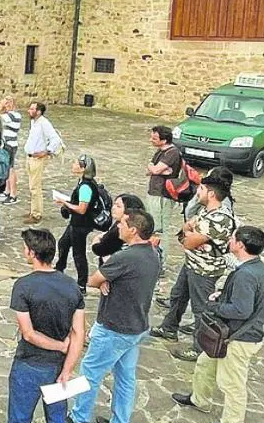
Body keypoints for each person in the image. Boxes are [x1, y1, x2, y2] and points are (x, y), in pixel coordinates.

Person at [0, 228, 85, 423]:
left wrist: (57, 346)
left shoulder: (24, 286)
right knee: (55, 421)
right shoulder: (71, 287)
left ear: (31, 253)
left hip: (29, 365)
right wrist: (67, 367)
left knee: (20, 419)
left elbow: (29, 334)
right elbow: (79, 333)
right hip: (57, 368)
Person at [172, 225, 264, 423]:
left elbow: (241, 310)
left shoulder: (246, 274)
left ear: (240, 245)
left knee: (232, 383)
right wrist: (224, 294)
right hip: (230, 337)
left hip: (238, 339)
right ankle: (200, 399)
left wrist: (215, 306)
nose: (230, 240)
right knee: (204, 364)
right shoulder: (257, 268)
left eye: (233, 238)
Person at [66, 209, 159, 423]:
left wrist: (105, 278)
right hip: (136, 326)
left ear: (133, 230)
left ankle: (78, 419)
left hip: (114, 327)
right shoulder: (153, 254)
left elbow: (93, 279)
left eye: (122, 224)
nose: (118, 227)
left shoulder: (125, 257)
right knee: (126, 377)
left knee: (91, 372)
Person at [151, 175, 237, 362]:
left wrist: (190, 232)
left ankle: (199, 348)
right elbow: (183, 231)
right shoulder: (206, 213)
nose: (198, 192)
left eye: (201, 189)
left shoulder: (219, 218)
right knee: (177, 296)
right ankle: (169, 328)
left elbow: (187, 242)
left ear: (211, 193)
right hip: (191, 264)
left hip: (204, 270)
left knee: (201, 309)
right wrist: (190, 231)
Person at [54, 154, 100, 288]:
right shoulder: (83, 182)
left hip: (81, 224)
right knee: (63, 243)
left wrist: (64, 202)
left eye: (75, 163)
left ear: (83, 168)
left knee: (78, 254)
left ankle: (81, 284)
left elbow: (81, 209)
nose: (72, 165)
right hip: (76, 223)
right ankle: (59, 269)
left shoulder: (86, 186)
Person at [145, 126, 183, 268]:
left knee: (160, 229)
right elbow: (150, 170)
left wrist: (155, 168)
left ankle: (160, 262)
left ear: (164, 140)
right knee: (153, 226)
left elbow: (154, 169)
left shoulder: (172, 153)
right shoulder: (160, 152)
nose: (151, 140)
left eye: (154, 138)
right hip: (154, 192)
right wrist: (156, 169)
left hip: (162, 195)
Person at [22, 102, 63, 225]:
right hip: (30, 157)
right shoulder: (34, 122)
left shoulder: (44, 123)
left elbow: (55, 139)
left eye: (32, 109)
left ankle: (36, 214)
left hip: (37, 159)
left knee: (35, 187)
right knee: (31, 185)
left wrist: (47, 152)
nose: (29, 111)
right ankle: (33, 210)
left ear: (38, 111)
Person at [91, 194, 147, 266]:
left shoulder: (120, 230)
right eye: (114, 204)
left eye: (118, 206)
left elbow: (99, 250)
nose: (113, 208)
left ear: (128, 211)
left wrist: (96, 239)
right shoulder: (140, 225)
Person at [0, 95, 22, 205]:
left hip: (10, 145)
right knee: (6, 169)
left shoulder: (13, 115)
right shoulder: (9, 115)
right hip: (6, 144)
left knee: (10, 170)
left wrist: (0, 106)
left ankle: (13, 194)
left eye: (7, 104)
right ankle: (7, 191)